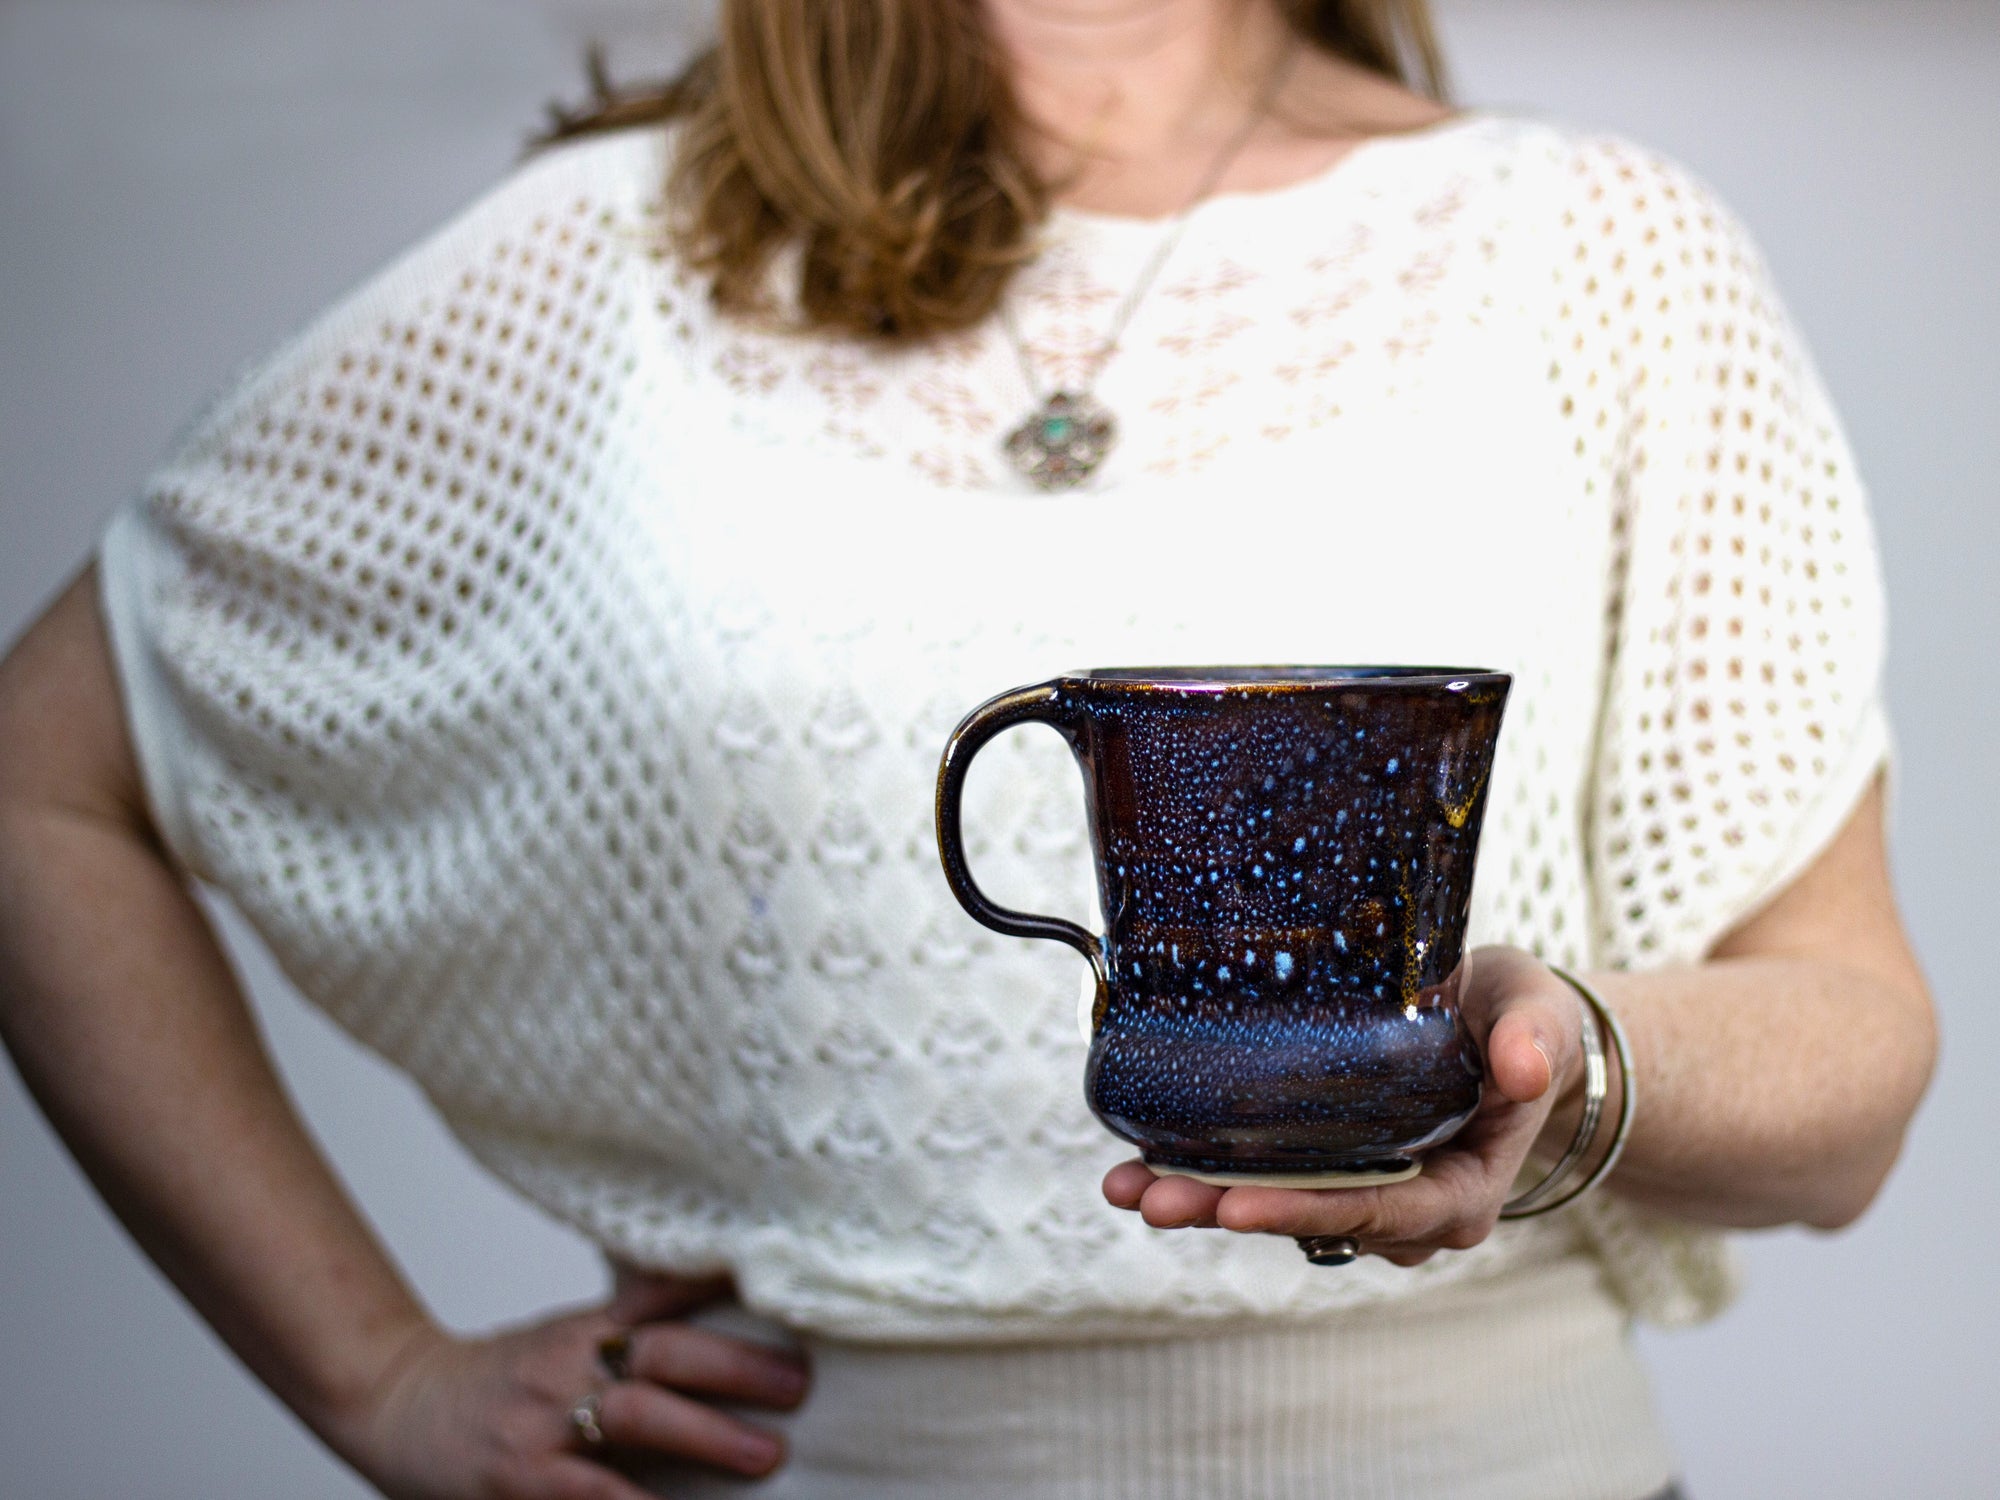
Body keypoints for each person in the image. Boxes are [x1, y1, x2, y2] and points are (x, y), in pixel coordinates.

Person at [0, 2, 1937, 1496]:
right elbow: (40, 782)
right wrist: (377, 1378)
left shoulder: (1594, 246)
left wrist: (1563, 1056)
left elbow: (1851, 1074)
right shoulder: (603, 260)